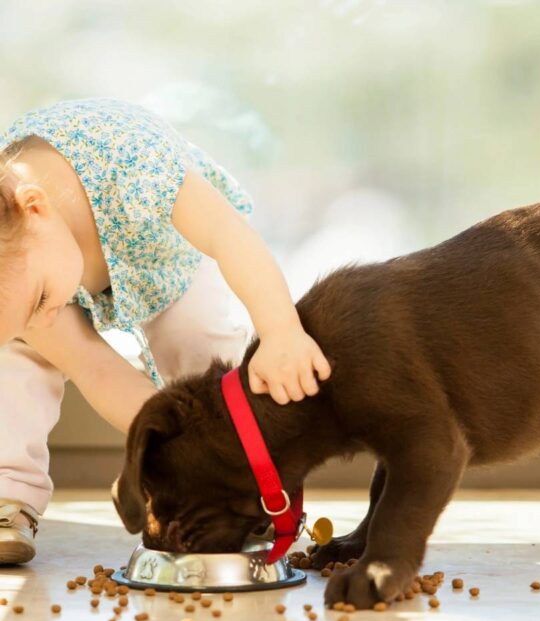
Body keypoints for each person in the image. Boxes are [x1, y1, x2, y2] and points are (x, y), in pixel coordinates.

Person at [0, 96, 331, 565]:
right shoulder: (23, 280)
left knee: (199, 344)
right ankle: (7, 496)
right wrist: (165, 445)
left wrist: (280, 330)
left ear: (35, 208)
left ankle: (234, 484)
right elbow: (94, 367)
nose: (42, 321)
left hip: (168, 260)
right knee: (18, 362)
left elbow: (227, 235)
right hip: (52, 273)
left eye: (36, 303)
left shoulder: (132, 162)